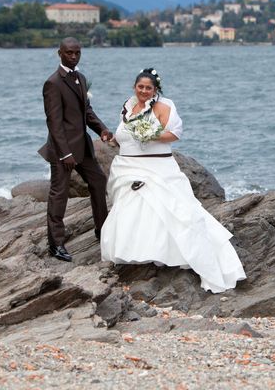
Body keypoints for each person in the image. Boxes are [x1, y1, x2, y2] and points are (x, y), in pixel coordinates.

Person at [101, 68, 246, 293]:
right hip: (127, 166)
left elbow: (174, 134)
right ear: (134, 87)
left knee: (171, 210)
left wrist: (151, 135)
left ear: (155, 90)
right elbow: (125, 137)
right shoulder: (128, 107)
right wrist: (112, 139)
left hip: (156, 166)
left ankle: (170, 254)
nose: (144, 91)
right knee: (131, 208)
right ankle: (137, 253)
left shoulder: (164, 107)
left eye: (148, 88)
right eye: (140, 87)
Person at [38, 37, 113, 262]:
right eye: (69, 53)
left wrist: (102, 130)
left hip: (84, 147)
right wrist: (65, 153)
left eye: (77, 53)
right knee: (59, 194)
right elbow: (54, 122)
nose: (73, 56)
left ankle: (102, 230)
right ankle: (56, 244)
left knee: (99, 182)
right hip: (64, 151)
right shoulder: (53, 83)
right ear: (59, 53)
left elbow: (86, 112)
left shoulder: (80, 78)